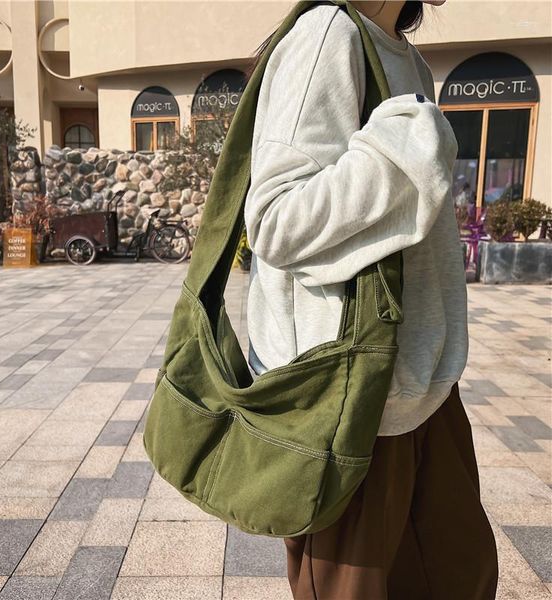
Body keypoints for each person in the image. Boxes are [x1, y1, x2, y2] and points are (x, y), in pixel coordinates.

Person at [242, 1, 499, 598]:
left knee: (458, 575)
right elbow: (276, 221)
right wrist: (401, 153)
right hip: (353, 397)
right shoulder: (328, 33)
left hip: (421, 382)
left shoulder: (407, 59)